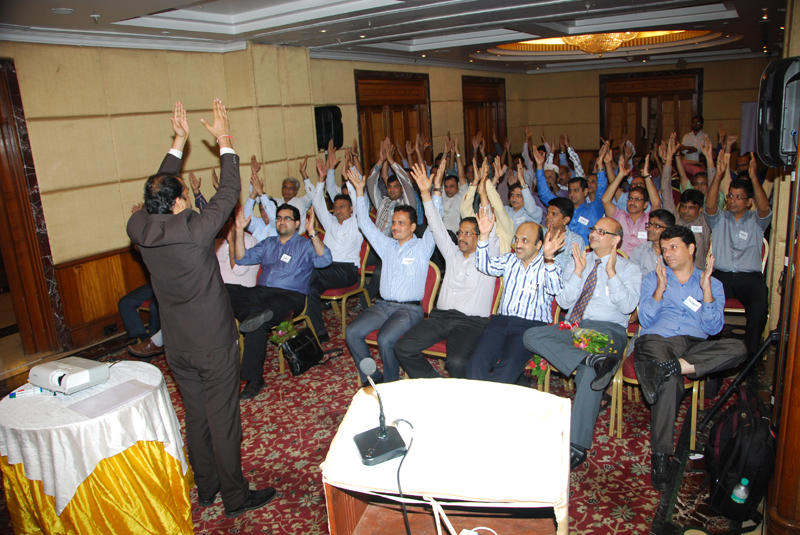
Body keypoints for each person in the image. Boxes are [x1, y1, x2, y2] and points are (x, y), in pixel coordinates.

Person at [127, 100, 276, 517]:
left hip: (177, 345)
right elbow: (229, 192)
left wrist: (178, 143)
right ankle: (235, 496)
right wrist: (224, 138)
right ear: (179, 203)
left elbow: (156, 191)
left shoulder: (139, 228)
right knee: (223, 418)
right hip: (212, 342)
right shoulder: (193, 229)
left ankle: (207, 487)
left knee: (195, 416)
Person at [633, 225, 747, 492]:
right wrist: (660, 290)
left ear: (691, 248)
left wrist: (706, 292)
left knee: (739, 348)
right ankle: (661, 456)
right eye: (664, 249)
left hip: (694, 346)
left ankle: (668, 368)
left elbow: (713, 328)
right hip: (658, 341)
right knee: (670, 382)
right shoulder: (653, 278)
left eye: (674, 247)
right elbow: (646, 320)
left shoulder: (713, 283)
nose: (667, 254)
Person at [523, 217, 641, 470]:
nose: (594, 234)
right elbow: (564, 302)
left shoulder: (629, 268)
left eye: (601, 231)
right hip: (575, 327)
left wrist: (611, 273)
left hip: (608, 331)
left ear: (616, 239)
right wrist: (578, 272)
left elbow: (628, 306)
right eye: (593, 230)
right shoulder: (579, 260)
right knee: (531, 335)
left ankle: (576, 444)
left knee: (590, 374)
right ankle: (590, 358)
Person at [394, 164, 499, 379]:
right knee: (402, 348)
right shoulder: (452, 254)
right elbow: (435, 225)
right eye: (460, 232)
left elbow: (489, 224)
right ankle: (435, 384)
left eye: (468, 233)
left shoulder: (488, 259)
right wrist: (426, 193)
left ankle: (468, 392)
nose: (461, 237)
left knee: (456, 362)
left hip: (470, 322)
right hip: (440, 317)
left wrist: (483, 195)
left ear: (481, 235)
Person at [228, 204, 332, 398]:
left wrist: (312, 233)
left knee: (259, 321)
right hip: (261, 292)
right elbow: (241, 259)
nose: (281, 221)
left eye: (287, 218)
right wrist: (239, 231)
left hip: (289, 296)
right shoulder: (268, 243)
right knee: (225, 289)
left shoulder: (305, 245)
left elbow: (325, 260)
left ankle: (254, 379)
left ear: (297, 223)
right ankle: (252, 313)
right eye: (279, 218)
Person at [344, 167, 435, 384]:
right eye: (394, 222)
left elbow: (435, 223)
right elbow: (364, 223)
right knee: (352, 332)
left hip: (409, 310)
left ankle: (391, 384)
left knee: (385, 339)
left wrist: (428, 194)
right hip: (383, 306)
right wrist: (359, 192)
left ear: (413, 227)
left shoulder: (422, 248)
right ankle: (373, 377)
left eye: (401, 223)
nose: (395, 226)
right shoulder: (387, 246)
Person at [466, 210, 565, 384]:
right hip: (501, 322)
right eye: (517, 239)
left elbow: (556, 289)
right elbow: (483, 265)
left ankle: (490, 399)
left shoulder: (548, 266)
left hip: (530, 327)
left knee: (509, 365)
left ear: (538, 245)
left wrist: (549, 258)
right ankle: (481, 399)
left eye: (525, 241)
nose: (518, 244)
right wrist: (484, 235)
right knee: (476, 361)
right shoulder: (509, 260)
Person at [705, 150, 771, 356]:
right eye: (731, 196)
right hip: (721, 276)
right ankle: (709, 352)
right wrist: (718, 176)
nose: (733, 200)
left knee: (759, 308)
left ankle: (750, 357)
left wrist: (753, 177)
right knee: (706, 302)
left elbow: (765, 208)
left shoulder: (757, 221)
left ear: (749, 201)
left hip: (749, 278)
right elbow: (710, 205)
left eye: (739, 197)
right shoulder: (719, 219)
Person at [306, 153, 363, 344]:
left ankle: (287, 294)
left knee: (308, 271)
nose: (338, 210)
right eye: (336, 207)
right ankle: (319, 332)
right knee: (310, 290)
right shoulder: (330, 222)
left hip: (347, 270)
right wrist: (321, 179)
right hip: (326, 269)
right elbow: (317, 203)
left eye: (342, 207)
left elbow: (359, 202)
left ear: (351, 208)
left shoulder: (357, 223)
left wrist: (349, 181)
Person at [537, 141, 610, 244]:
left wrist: (600, 166)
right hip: (561, 249)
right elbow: (544, 194)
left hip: (586, 251)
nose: (572, 194)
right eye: (570, 190)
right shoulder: (563, 207)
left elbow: (602, 189)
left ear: (585, 191)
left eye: (576, 190)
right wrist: (540, 167)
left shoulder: (594, 208)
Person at [659, 134, 712, 270]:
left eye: (691, 208)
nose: (685, 211)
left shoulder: (705, 221)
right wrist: (668, 159)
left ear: (700, 209)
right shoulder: (675, 218)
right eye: (683, 206)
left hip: (698, 274)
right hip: (674, 273)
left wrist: (709, 159)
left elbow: (713, 193)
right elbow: (666, 191)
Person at [602, 155, 662, 256]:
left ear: (645, 204)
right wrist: (620, 175)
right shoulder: (619, 216)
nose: (632, 202)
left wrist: (646, 176)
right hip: (621, 262)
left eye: (637, 199)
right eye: (630, 198)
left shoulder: (649, 219)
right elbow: (605, 200)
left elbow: (656, 203)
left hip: (643, 263)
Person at [119, 282, 162, 357]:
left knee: (154, 306)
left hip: (172, 285)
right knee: (125, 302)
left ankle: (154, 343)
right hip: (156, 282)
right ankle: (144, 339)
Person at [545, 197, 585, 274]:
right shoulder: (539, 234)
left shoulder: (576, 241)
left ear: (565, 220)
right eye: (548, 212)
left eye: (554, 214)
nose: (548, 217)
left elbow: (573, 272)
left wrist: (551, 254)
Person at [629, 209, 675, 277]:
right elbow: (632, 278)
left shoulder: (675, 253)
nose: (650, 229)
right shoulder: (638, 251)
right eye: (649, 225)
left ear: (668, 229)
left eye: (656, 226)